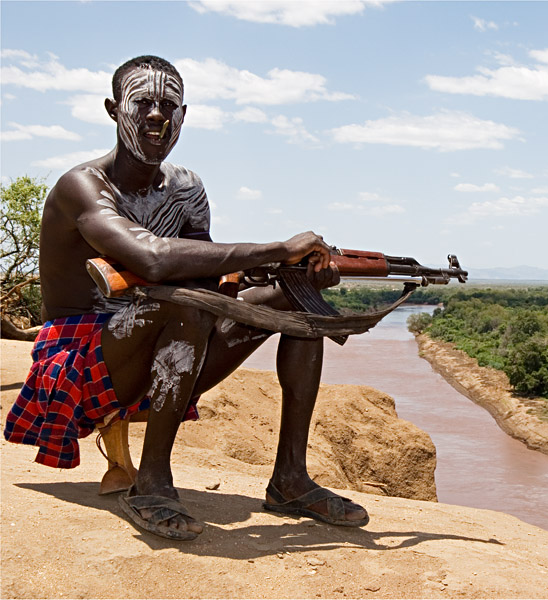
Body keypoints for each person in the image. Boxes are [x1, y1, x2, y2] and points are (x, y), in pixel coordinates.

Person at [4, 55, 368, 540]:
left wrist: (284, 273)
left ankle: (290, 481)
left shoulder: (187, 189)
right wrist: (280, 246)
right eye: (143, 103)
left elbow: (207, 279)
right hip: (80, 364)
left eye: (169, 105)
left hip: (163, 350)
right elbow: (154, 260)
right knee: (181, 301)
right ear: (114, 110)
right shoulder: (83, 186)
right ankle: (151, 483)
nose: (157, 114)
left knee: (292, 298)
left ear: (183, 116)